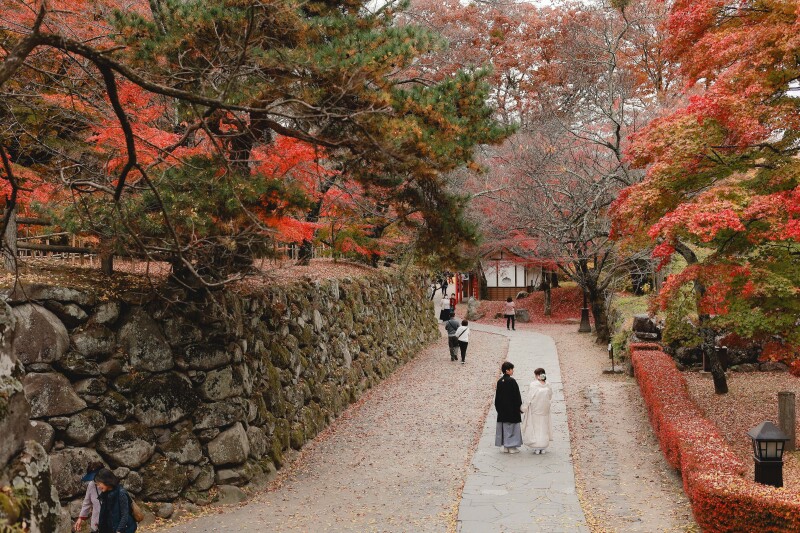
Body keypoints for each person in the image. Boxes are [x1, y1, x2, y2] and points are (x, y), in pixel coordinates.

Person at [521, 367, 553, 454]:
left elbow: (529, 397)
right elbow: (550, 396)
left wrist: (523, 408)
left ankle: (537, 446)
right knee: (544, 426)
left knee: (535, 427)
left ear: (537, 375)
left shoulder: (533, 385)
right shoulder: (548, 384)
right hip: (544, 409)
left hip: (535, 409)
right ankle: (543, 446)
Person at [95, 469, 136, 533]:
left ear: (106, 481)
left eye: (99, 483)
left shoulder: (121, 493)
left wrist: (118, 531)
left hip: (122, 529)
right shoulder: (106, 494)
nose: (98, 486)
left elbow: (124, 515)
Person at [494, 361, 523, 453]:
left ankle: (505, 446)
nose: (512, 371)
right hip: (512, 409)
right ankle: (511, 447)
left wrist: (498, 408)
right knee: (512, 427)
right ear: (507, 370)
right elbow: (516, 396)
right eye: (511, 369)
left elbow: (497, 397)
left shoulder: (499, 381)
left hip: (502, 410)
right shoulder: (512, 381)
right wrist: (519, 407)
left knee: (504, 427)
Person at [74, 461, 104, 532]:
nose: (95, 481)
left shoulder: (111, 485)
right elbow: (87, 503)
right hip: (96, 524)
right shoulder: (91, 485)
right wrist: (80, 518)